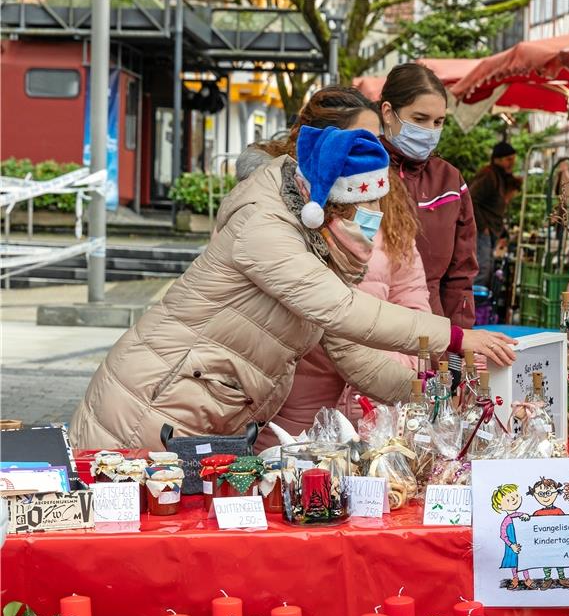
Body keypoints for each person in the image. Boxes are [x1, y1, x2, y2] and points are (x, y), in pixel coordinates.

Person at [70, 125, 515, 451]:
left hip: (200, 407)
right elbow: (344, 310)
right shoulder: (266, 229)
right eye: (363, 213)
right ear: (325, 207)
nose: (370, 225)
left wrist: (438, 389)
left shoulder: (312, 236)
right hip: (154, 405)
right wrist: (455, 338)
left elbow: (352, 352)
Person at [230, 87, 433, 449]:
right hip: (289, 420)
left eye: (377, 145)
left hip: (372, 417)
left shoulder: (388, 213)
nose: (372, 155)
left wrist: (400, 366)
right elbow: (333, 322)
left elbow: (412, 298)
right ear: (323, 147)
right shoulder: (279, 217)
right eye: (359, 144)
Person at [377, 63, 479, 337]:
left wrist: (459, 341)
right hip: (371, 328)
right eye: (420, 119)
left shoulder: (449, 179)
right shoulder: (362, 171)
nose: (430, 131)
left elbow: (461, 274)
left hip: (433, 332)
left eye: (438, 122)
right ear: (388, 112)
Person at [469, 141, 517, 287]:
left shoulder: (499, 176)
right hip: (482, 230)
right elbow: (470, 199)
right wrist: (483, 226)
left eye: (513, 159)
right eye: (509, 159)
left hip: (489, 231)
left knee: (485, 270)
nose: (512, 163)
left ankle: (477, 307)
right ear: (497, 159)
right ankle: (472, 307)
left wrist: (502, 231)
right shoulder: (489, 175)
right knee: (481, 270)